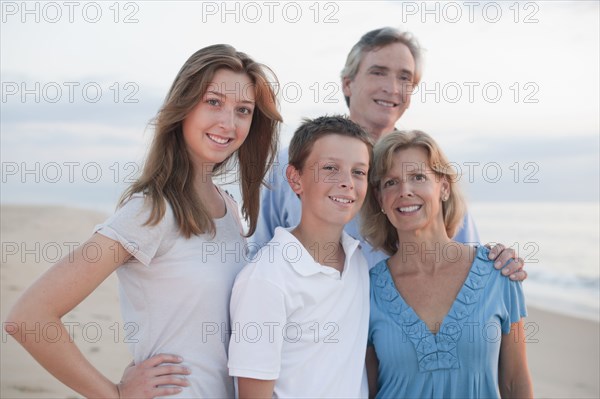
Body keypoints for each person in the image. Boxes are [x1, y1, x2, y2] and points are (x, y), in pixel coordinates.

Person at [4, 44, 282, 398]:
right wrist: (115, 394)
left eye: (243, 110)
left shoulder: (227, 207)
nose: (228, 122)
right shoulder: (152, 210)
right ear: (184, 106)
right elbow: (29, 317)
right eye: (213, 102)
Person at [251, 27, 526, 278]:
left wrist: (499, 260)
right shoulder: (294, 160)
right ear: (348, 83)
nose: (392, 88)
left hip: (400, 328)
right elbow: (261, 253)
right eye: (378, 72)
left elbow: (466, 252)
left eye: (404, 77)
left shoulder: (426, 168)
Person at [362, 130, 533, 398]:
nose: (404, 191)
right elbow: (368, 391)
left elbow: (515, 382)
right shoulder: (368, 289)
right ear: (380, 199)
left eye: (418, 177)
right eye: (391, 182)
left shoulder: (498, 272)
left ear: (443, 186)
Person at [227, 116, 372, 398]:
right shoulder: (267, 279)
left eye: (359, 172)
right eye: (330, 168)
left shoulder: (357, 261)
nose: (347, 183)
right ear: (295, 179)